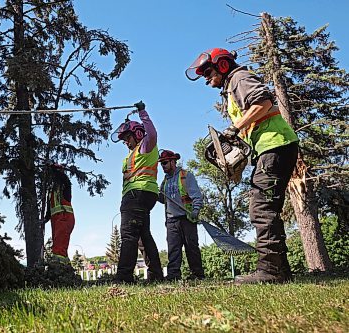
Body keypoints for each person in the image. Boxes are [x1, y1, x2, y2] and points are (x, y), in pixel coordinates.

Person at [186, 48, 299, 284]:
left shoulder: (239, 78)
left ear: (223, 65)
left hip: (274, 144)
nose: (207, 79)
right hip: (270, 147)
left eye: (208, 72)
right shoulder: (232, 86)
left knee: (261, 208)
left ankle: (269, 271)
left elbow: (264, 103)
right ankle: (280, 269)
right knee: (267, 208)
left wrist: (234, 129)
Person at [114, 101, 164, 283]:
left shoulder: (145, 145)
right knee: (144, 236)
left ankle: (124, 278)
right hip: (143, 195)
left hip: (136, 195)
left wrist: (143, 112)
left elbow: (152, 133)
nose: (126, 142)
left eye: (127, 138)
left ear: (137, 134)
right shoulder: (133, 153)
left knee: (128, 235)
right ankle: (156, 275)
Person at [158, 150, 204, 281]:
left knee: (191, 247)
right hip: (171, 220)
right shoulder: (165, 181)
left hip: (187, 217)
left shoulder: (186, 176)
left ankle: (197, 275)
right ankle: (173, 275)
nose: (163, 166)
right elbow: (163, 200)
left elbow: (197, 197)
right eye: (161, 164)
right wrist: (157, 195)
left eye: (165, 163)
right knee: (173, 249)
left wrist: (195, 211)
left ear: (173, 161)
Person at [43, 163, 75, 263]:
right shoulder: (52, 191)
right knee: (57, 246)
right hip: (56, 220)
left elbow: (64, 179)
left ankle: (60, 268)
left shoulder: (65, 186)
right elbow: (50, 208)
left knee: (59, 248)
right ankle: (61, 268)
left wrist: (55, 169)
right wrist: (45, 219)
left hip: (64, 217)